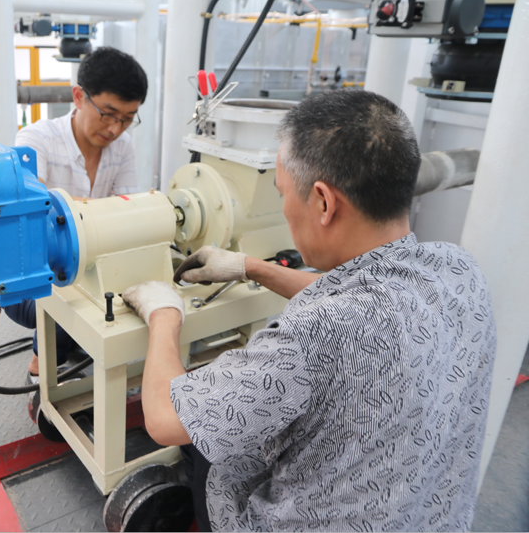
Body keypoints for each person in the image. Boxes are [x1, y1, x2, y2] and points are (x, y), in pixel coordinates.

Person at [122, 90, 496, 532]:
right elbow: (365, 295)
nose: (283, 207)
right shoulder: (460, 269)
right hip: (430, 515)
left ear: (323, 202)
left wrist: (164, 316)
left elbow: (165, 418)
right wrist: (252, 268)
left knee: (206, 444)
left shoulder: (314, 336)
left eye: (282, 193)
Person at [3, 46, 148, 388]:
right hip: (29, 274)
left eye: (128, 119)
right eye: (108, 114)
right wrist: (106, 214)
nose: (115, 129)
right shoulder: (37, 139)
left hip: (91, 260)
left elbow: (130, 212)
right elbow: (32, 213)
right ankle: (40, 367)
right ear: (79, 97)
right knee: (69, 298)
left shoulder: (123, 148)